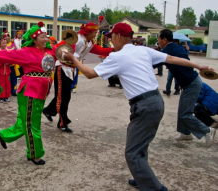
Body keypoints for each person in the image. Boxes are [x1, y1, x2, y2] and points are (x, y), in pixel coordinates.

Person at [61, 22, 213, 191]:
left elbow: (89, 74)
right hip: (155, 101)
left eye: (111, 37)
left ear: (118, 36)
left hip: (145, 106)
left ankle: (155, 188)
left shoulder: (118, 56)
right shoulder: (142, 49)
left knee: (132, 153)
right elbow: (171, 59)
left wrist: (73, 58)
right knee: (139, 145)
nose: (111, 41)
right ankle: (142, 178)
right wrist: (198, 66)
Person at [0, 21, 56, 165]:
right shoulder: (26, 52)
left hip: (42, 91)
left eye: (47, 36)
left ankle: (4, 135)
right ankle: (34, 154)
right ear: (34, 39)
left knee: (26, 120)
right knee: (32, 124)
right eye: (43, 36)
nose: (47, 39)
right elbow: (6, 55)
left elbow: (65, 48)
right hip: (30, 91)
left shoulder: (50, 51)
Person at [43, 16, 113, 133]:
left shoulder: (90, 42)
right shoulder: (75, 38)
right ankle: (62, 123)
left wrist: (115, 50)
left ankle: (48, 111)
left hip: (72, 69)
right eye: (95, 32)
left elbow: (100, 50)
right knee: (64, 97)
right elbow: (57, 47)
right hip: (62, 68)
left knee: (62, 95)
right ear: (88, 31)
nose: (96, 34)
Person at [158, 29, 216, 147]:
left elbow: (154, 61)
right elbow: (185, 61)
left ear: (164, 39)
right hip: (189, 82)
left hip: (191, 83)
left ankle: (206, 130)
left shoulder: (168, 49)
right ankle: (186, 134)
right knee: (182, 111)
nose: (158, 41)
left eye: (159, 38)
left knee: (185, 113)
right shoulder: (177, 47)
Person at [2, 30, 19, 96]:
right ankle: (7, 91)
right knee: (7, 79)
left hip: (12, 64)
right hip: (5, 65)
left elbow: (16, 52)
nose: (7, 37)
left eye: (8, 36)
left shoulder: (13, 44)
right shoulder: (3, 44)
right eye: (6, 36)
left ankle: (14, 90)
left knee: (13, 78)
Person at [0, 38, 11, 103]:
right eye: (3, 43)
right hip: (0, 70)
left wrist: (9, 63)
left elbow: (11, 59)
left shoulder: (8, 51)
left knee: (7, 84)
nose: (4, 44)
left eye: (5, 43)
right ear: (0, 44)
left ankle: (6, 96)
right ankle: (1, 97)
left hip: (7, 70)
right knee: (1, 84)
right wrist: (2, 63)